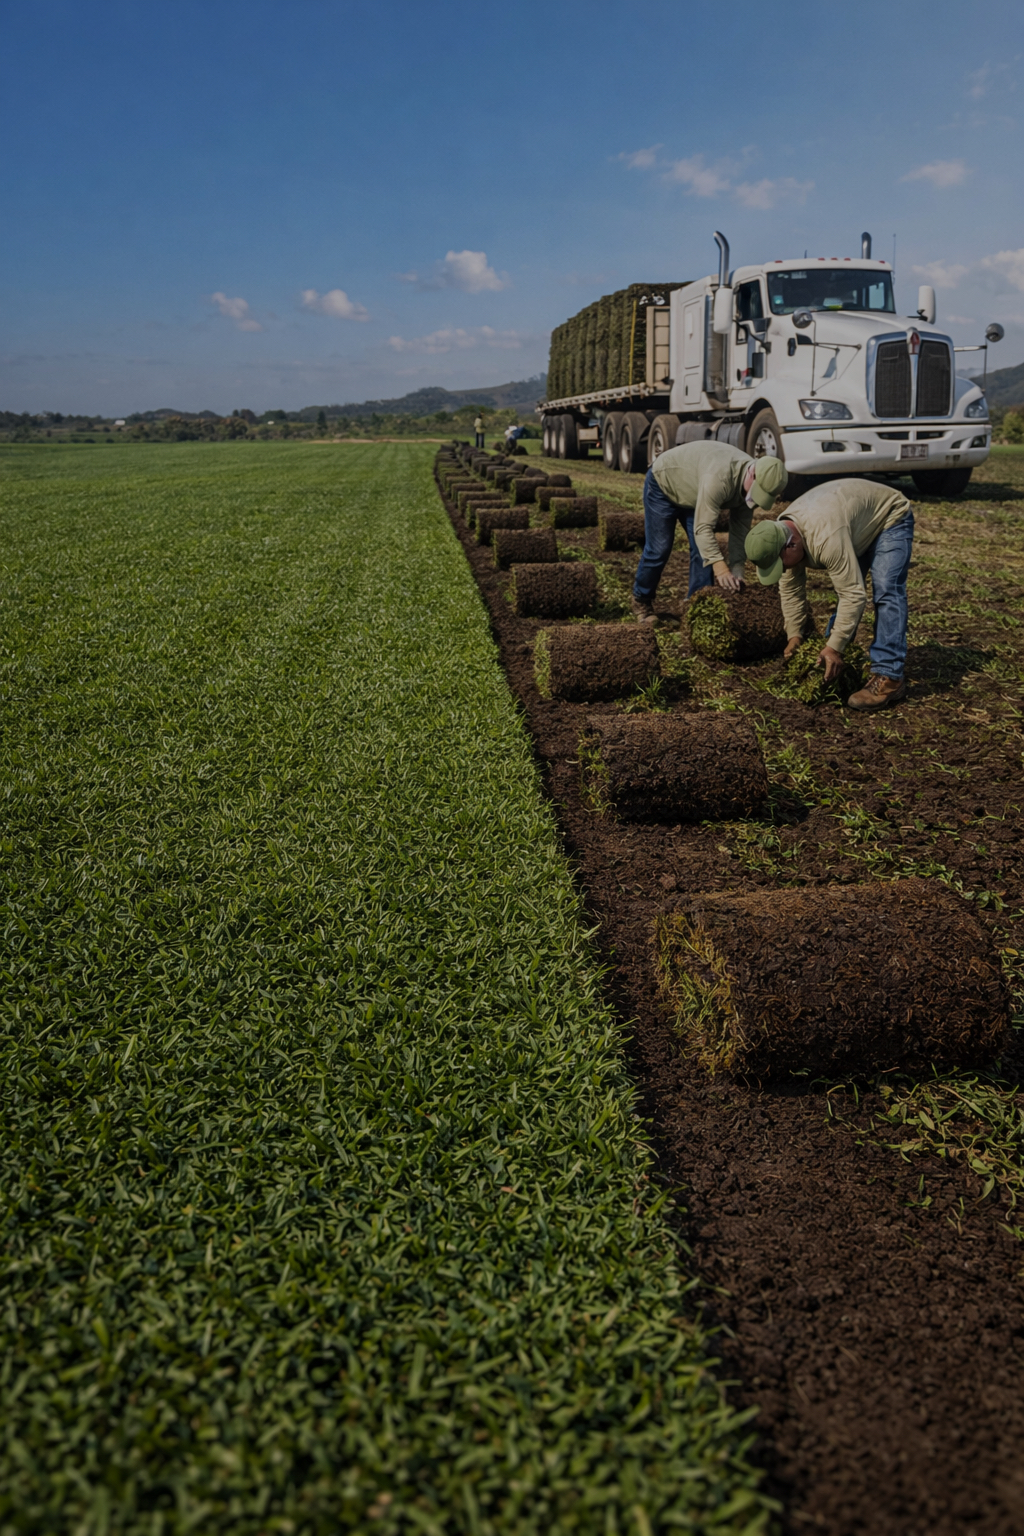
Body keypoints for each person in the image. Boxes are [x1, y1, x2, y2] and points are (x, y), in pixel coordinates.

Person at [744, 478, 914, 710]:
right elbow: (791, 589)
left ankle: (889, 676)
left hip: (888, 516)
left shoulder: (825, 538)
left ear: (792, 545)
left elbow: (853, 594)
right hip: (852, 522)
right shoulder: (779, 534)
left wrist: (834, 646)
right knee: (844, 593)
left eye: (779, 565)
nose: (781, 570)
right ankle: (836, 661)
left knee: (886, 589)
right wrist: (794, 635)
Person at [631, 439, 788, 622]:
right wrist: (720, 569)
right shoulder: (719, 478)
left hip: (695, 491)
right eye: (757, 492)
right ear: (752, 473)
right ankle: (641, 600)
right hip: (664, 484)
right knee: (660, 548)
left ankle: (696, 607)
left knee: (703, 551)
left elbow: (740, 530)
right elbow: (703, 529)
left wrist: (737, 568)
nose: (755, 498)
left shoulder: (749, 489)